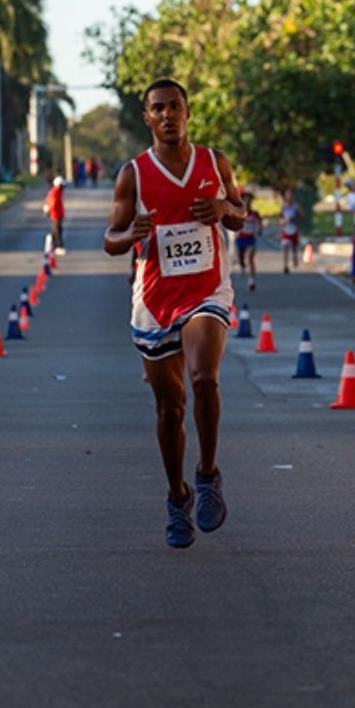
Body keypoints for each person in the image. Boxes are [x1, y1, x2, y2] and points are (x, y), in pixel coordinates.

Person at [102, 78, 245, 549]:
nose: (167, 115)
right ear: (147, 118)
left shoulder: (213, 161)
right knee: (170, 407)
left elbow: (241, 214)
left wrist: (223, 206)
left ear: (187, 112)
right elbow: (111, 239)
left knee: (204, 379)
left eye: (175, 107)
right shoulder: (134, 175)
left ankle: (206, 475)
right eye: (158, 109)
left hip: (206, 289)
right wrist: (133, 234)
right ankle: (176, 494)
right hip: (155, 301)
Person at [234, 186, 262, 291]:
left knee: (250, 258)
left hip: (250, 239)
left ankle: (251, 280)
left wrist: (259, 229)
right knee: (241, 259)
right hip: (240, 238)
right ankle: (242, 267)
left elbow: (259, 223)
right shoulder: (238, 212)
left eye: (249, 201)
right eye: (245, 200)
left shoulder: (255, 214)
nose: (247, 203)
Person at [44, 175, 67, 254]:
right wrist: (50, 211)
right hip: (55, 215)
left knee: (56, 231)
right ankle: (59, 246)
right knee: (57, 231)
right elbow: (52, 203)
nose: (63, 187)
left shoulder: (57, 191)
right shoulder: (55, 192)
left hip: (58, 214)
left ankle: (52, 246)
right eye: (62, 186)